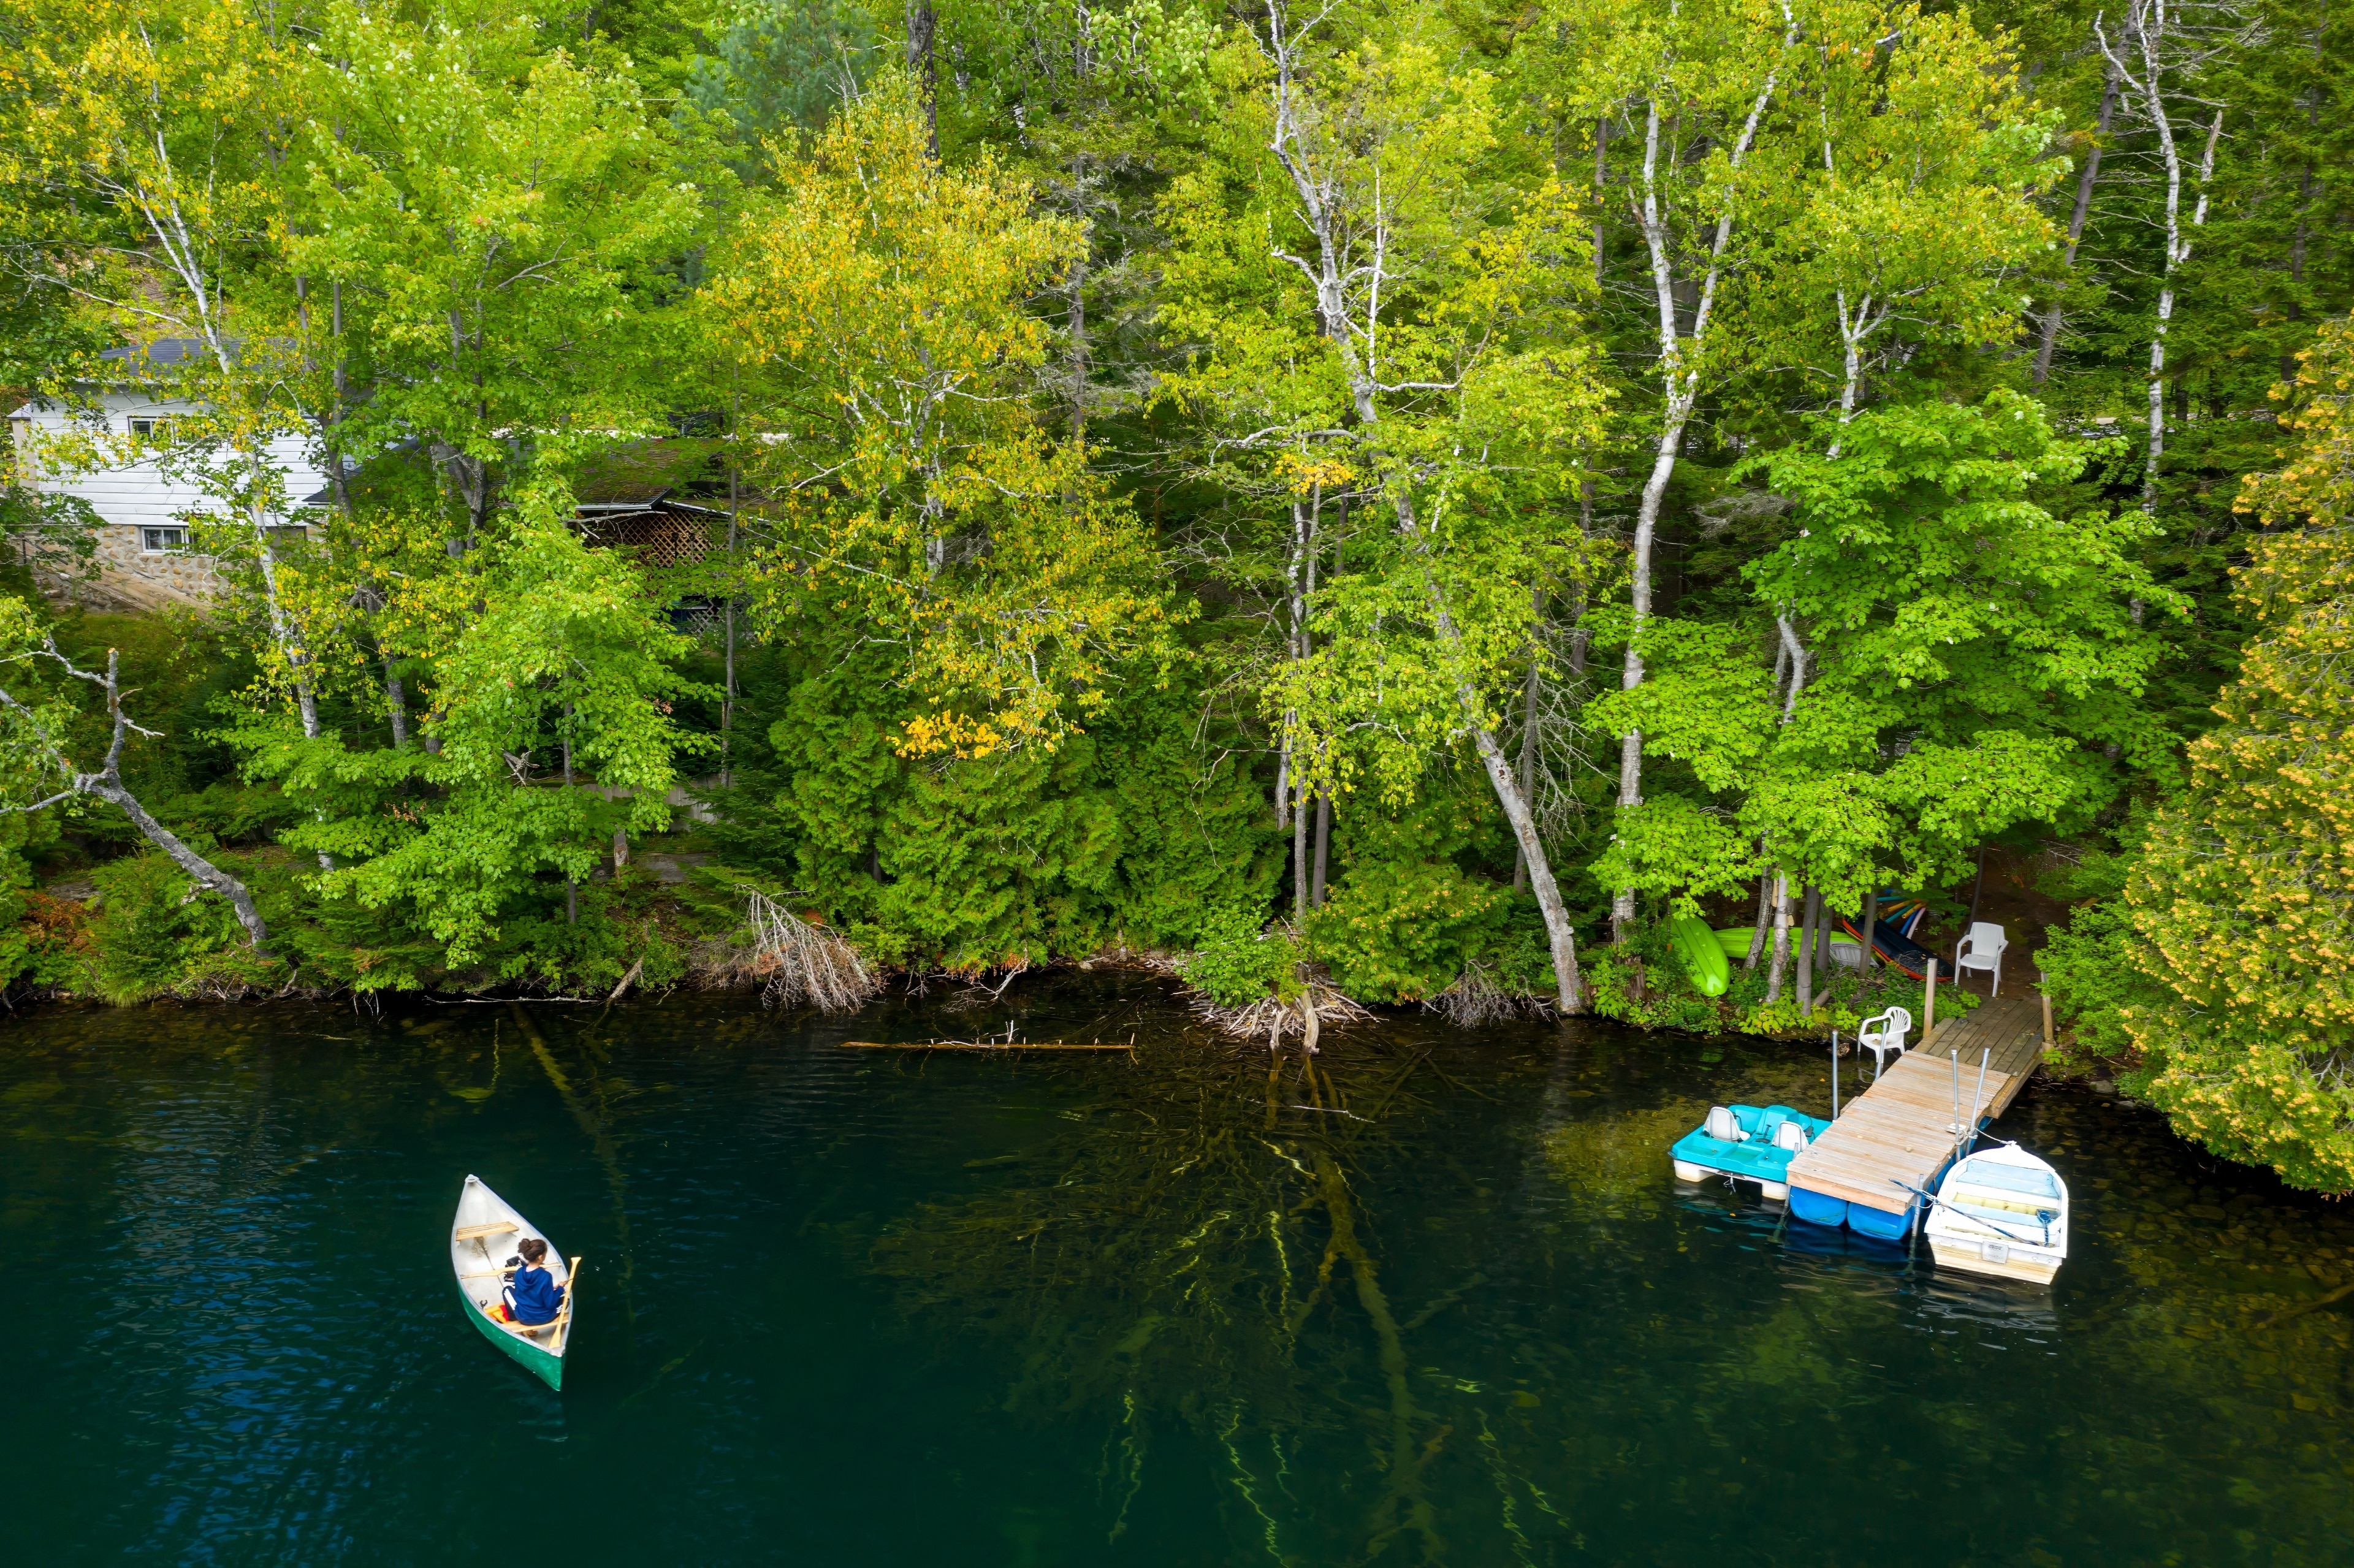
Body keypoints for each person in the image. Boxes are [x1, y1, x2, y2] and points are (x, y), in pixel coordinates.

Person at [502, 1237, 565, 1327]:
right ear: (540, 1257)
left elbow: (523, 1293)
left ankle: (514, 1319)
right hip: (544, 1318)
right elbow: (550, 1304)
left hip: (523, 1318)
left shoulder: (519, 1273)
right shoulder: (546, 1276)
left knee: (507, 1290)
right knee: (565, 1300)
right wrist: (560, 1288)